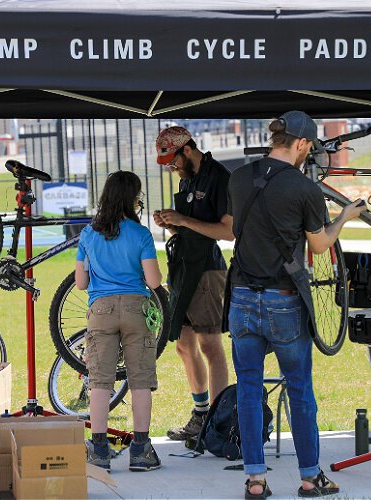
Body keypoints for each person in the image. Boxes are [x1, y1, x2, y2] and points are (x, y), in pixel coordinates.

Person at [226, 111, 366, 498]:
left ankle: (255, 479)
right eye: (310, 147)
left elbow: (237, 227)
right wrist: (344, 216)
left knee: (249, 388)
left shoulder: (239, 177)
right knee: (300, 388)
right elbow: (319, 245)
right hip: (283, 300)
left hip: (241, 297)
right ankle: (309, 476)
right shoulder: (305, 189)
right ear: (302, 143)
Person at [75, 170, 164, 472]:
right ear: (132, 199)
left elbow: (80, 283)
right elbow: (153, 280)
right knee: (140, 381)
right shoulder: (140, 234)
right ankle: (140, 450)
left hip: (100, 311)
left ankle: (99, 449)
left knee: (100, 382)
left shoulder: (88, 234)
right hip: (137, 309)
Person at [153, 126, 234, 441]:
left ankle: (218, 418)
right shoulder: (187, 179)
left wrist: (183, 220)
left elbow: (227, 232)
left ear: (187, 150)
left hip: (207, 272)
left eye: (172, 161)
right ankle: (200, 415)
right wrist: (172, 224)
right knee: (184, 345)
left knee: (210, 345)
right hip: (183, 270)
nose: (171, 168)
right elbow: (192, 231)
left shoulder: (219, 177)